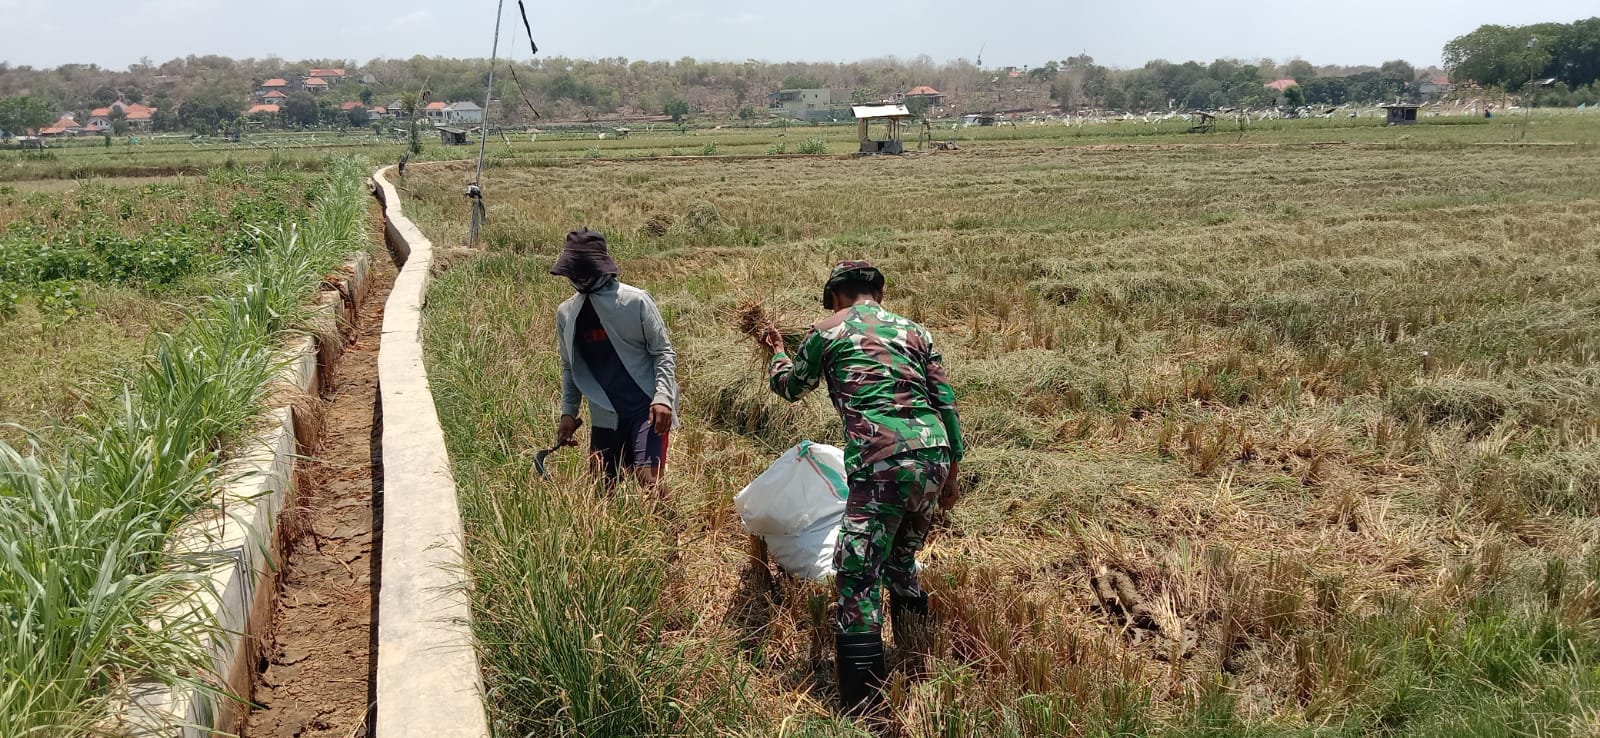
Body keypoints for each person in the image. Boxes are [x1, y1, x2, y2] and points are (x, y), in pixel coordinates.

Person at [760, 260, 965, 716]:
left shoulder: (826, 330)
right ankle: (914, 661)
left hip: (881, 461)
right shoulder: (917, 332)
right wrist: (953, 471)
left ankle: (863, 705)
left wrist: (775, 350)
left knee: (856, 576)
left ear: (835, 296)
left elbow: (791, 387)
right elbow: (946, 403)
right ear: (880, 293)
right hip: (932, 455)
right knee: (902, 558)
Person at [551, 229, 678, 491]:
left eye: (586, 271)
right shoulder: (566, 313)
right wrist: (568, 412)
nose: (580, 278)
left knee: (649, 483)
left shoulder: (635, 301)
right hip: (604, 414)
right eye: (575, 272)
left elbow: (662, 351)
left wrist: (663, 397)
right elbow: (570, 367)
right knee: (603, 489)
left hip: (646, 408)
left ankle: (674, 532)